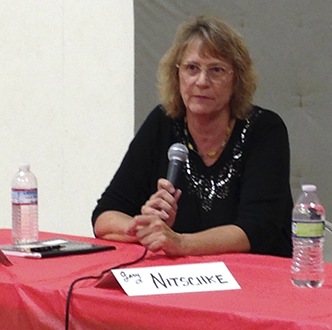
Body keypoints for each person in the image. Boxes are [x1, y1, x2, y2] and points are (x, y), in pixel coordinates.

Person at [92, 15, 293, 257]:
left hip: (257, 280)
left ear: (236, 80)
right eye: (191, 68)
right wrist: (144, 228)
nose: (202, 81)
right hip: (181, 280)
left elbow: (257, 229)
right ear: (177, 76)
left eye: (216, 70)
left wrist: (181, 243)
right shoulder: (162, 123)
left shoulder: (264, 129)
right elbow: (104, 217)